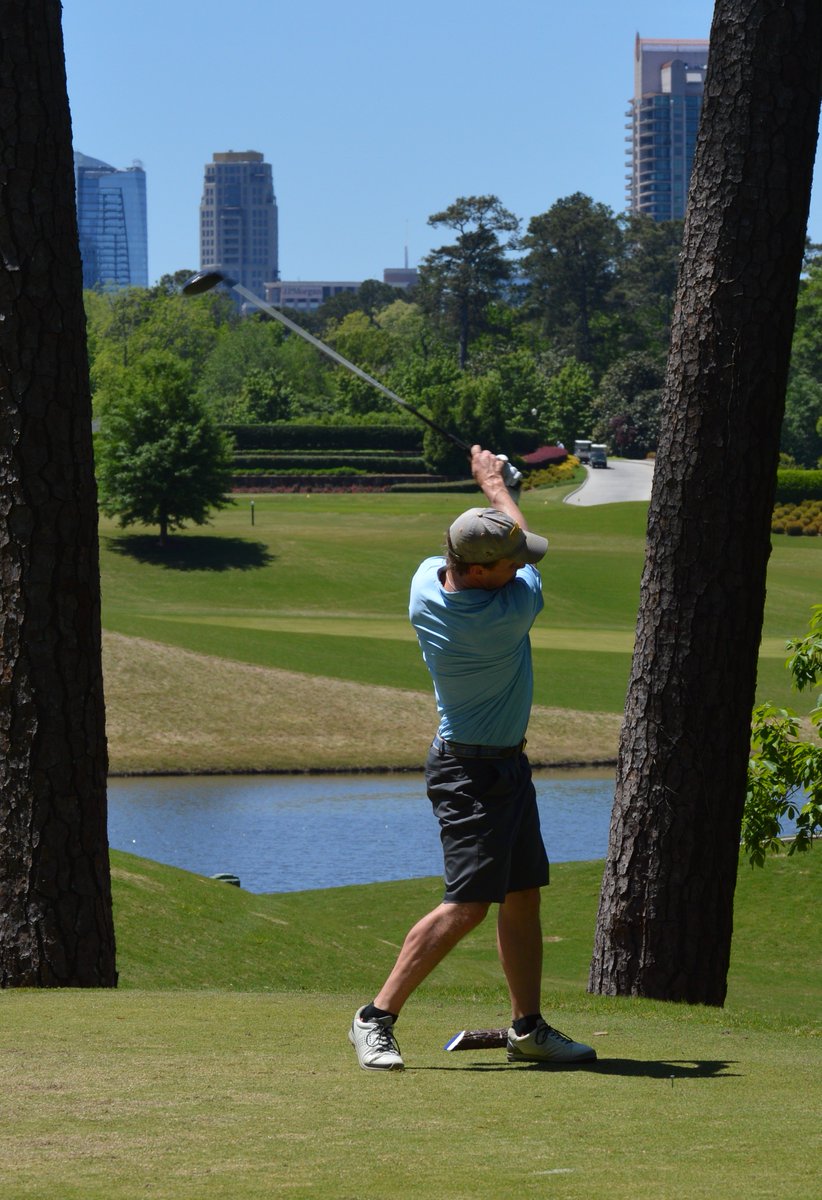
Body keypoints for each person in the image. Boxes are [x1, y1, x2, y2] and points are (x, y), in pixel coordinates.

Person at [349, 445, 596, 1071]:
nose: (521, 565)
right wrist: (496, 483)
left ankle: (527, 1030)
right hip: (469, 771)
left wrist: (492, 498)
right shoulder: (507, 612)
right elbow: (524, 538)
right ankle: (374, 1018)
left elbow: (507, 541)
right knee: (467, 904)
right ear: (483, 573)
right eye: (511, 562)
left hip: (505, 763)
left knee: (522, 895)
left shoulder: (427, 580)